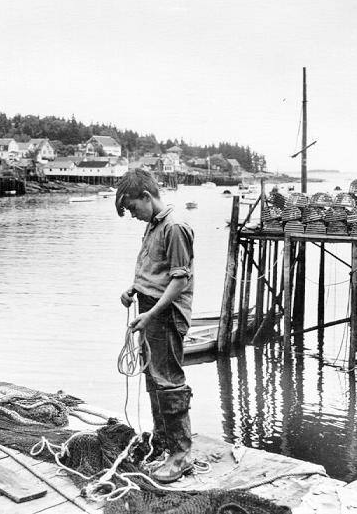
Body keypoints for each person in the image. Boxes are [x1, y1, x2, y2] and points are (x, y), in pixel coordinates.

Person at [115, 168, 195, 483]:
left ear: (147, 197)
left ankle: (180, 456)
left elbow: (179, 280)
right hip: (149, 309)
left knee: (169, 381)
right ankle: (164, 446)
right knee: (153, 380)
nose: (133, 215)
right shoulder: (153, 224)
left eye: (133, 207)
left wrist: (151, 314)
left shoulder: (175, 227)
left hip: (166, 313)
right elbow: (155, 269)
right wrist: (134, 288)